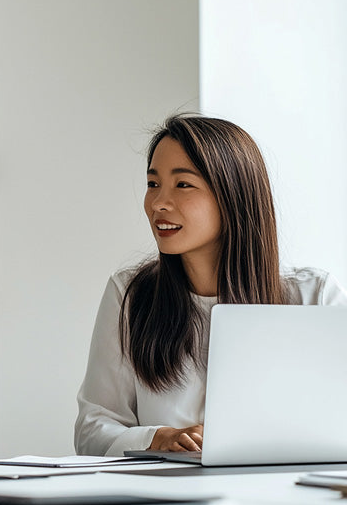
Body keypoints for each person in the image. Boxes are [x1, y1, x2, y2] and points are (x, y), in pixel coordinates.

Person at [75, 113, 347, 457]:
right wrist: (158, 438)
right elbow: (92, 429)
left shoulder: (314, 297)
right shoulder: (130, 294)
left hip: (280, 494)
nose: (158, 203)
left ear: (233, 196)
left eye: (183, 185)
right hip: (165, 501)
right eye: (153, 183)